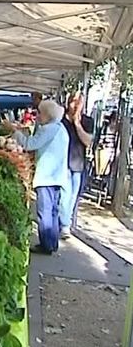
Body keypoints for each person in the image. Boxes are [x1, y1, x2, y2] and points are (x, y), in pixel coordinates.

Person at [3, 100, 69, 255]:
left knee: (45, 212)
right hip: (57, 177)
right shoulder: (61, 128)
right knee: (53, 211)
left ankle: (46, 245)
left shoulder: (49, 129)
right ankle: (52, 244)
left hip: (47, 177)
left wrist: (13, 130)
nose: (38, 116)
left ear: (47, 114)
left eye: (40, 112)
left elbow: (29, 144)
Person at [59, 92, 94, 238]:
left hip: (78, 164)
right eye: (74, 101)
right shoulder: (60, 120)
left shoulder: (87, 121)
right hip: (62, 163)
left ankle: (65, 222)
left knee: (73, 196)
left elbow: (87, 141)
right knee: (65, 196)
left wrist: (77, 124)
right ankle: (65, 225)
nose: (76, 105)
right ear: (68, 103)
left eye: (79, 102)